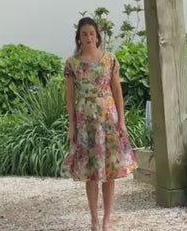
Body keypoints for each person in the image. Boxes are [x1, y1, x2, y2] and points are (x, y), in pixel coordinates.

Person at [63, 17, 137, 231]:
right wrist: (72, 127)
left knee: (110, 171)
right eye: (84, 34)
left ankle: (107, 220)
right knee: (91, 172)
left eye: (92, 33)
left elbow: (117, 91)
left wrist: (122, 121)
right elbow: (70, 98)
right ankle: (94, 220)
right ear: (79, 37)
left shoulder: (109, 60)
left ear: (97, 36)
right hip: (85, 123)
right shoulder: (72, 64)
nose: (88, 37)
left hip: (108, 120)